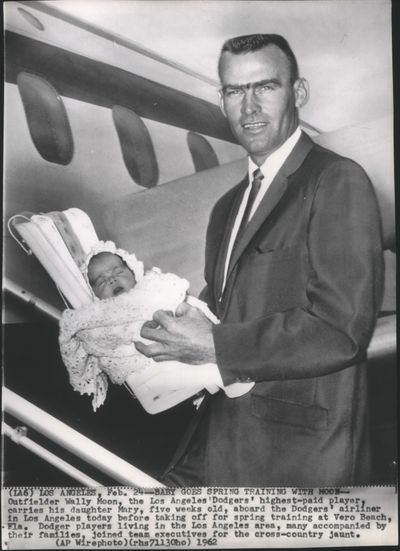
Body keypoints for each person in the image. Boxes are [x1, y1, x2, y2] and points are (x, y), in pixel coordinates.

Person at [134, 34, 384, 486]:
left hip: (299, 463)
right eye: (234, 91)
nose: (248, 108)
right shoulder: (226, 206)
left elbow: (340, 329)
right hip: (220, 443)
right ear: (222, 99)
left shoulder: (337, 180)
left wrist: (215, 345)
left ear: (298, 93)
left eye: (265, 87)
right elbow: (222, 317)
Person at [59, 241, 251, 412]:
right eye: (101, 281)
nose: (111, 279)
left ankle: (224, 372)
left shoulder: (149, 289)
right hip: (147, 363)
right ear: (95, 296)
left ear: (133, 271)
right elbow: (99, 338)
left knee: (200, 346)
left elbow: (169, 300)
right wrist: (132, 331)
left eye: (118, 271)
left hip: (177, 341)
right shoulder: (100, 315)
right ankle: (224, 376)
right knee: (198, 368)